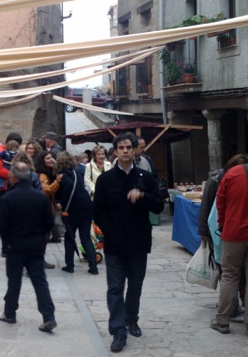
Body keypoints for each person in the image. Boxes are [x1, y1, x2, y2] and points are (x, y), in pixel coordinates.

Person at [93, 133, 164, 353]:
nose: (125, 151)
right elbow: (98, 211)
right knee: (115, 288)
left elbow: (159, 206)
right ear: (115, 151)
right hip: (115, 244)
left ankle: (131, 319)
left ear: (134, 151)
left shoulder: (145, 177)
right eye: (121, 147)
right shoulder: (105, 179)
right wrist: (109, 232)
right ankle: (118, 331)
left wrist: (142, 195)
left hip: (138, 242)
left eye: (128, 147)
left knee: (135, 286)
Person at [0, 162, 57, 333]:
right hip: (36, 244)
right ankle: (48, 316)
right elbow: (49, 222)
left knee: (14, 279)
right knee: (39, 280)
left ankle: (10, 313)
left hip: (15, 245)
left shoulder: (8, 198)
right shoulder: (40, 197)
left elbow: (2, 225)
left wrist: (7, 242)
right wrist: (40, 236)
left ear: (13, 177)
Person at [211, 158, 248, 337]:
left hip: (234, 232)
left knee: (229, 275)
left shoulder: (232, 174)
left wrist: (223, 225)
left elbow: (221, 204)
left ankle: (222, 320)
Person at [55, 151, 98, 275]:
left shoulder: (62, 174)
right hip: (86, 207)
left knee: (70, 237)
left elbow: (68, 186)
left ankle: (69, 265)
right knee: (85, 238)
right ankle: (93, 266)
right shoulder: (76, 172)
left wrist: (61, 203)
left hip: (73, 210)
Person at [0, 133, 22, 257]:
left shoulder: (17, 152)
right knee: (5, 218)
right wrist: (15, 174)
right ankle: (5, 246)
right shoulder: (1, 151)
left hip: (15, 187)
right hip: (4, 188)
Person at [34, 150, 63, 266]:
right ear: (42, 161)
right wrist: (57, 182)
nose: (50, 160)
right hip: (43, 208)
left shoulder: (50, 172)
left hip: (49, 206)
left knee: (46, 235)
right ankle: (39, 260)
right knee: (44, 235)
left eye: (51, 157)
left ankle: (40, 259)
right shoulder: (42, 174)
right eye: (48, 158)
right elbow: (46, 190)